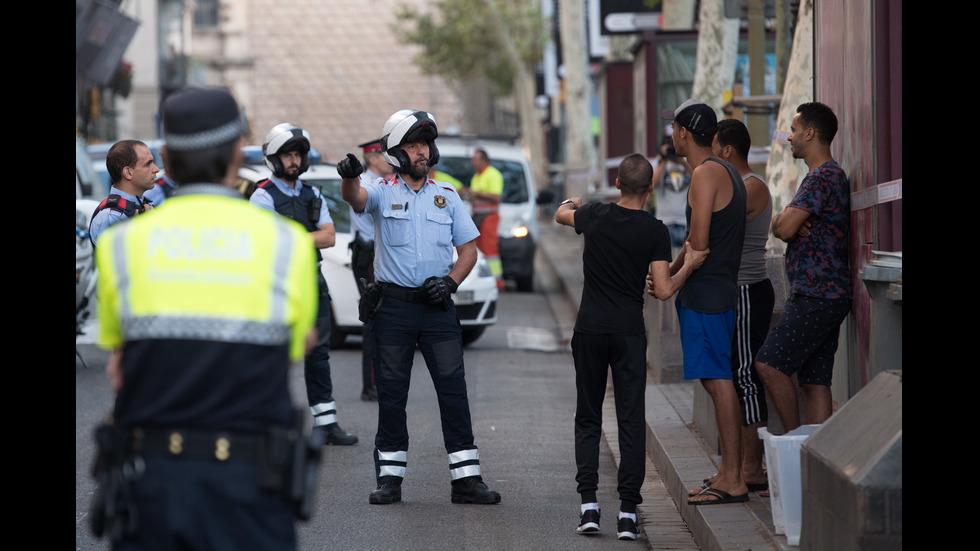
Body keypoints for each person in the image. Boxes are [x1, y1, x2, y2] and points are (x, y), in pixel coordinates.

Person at [91, 86, 319, 550]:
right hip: (251, 491)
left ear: (169, 159)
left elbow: (120, 367)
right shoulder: (287, 244)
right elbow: (297, 349)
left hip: (151, 491)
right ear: (238, 149)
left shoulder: (121, 246)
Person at [337, 109, 501, 506]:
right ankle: (390, 480)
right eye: (413, 145)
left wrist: (450, 283)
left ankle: (466, 480)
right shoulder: (381, 192)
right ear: (396, 152)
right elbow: (355, 197)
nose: (422, 151)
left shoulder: (447, 195)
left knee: (453, 391)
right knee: (392, 394)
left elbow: (468, 251)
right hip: (393, 309)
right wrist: (349, 176)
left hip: (437, 309)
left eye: (425, 143)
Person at [555, 153, 707, 539]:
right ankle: (626, 513)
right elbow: (664, 289)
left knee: (588, 416)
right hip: (628, 332)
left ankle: (589, 507)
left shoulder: (595, 215)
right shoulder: (654, 231)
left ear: (618, 184)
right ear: (651, 188)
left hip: (589, 330)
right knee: (629, 418)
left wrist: (572, 203)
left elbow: (560, 215)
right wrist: (689, 262)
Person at [662, 99, 748, 505]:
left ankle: (733, 477)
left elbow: (698, 246)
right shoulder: (725, 168)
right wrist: (668, 272)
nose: (671, 136)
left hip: (708, 294)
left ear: (682, 132)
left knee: (719, 381)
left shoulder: (704, 175)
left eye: (673, 129)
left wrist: (671, 283)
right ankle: (728, 471)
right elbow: (695, 244)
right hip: (718, 291)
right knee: (717, 379)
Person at [250, 123, 358, 446]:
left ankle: (326, 424)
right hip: (277, 286)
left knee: (319, 355)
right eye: (287, 155)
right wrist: (307, 237)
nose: (294, 161)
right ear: (273, 157)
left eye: (298, 154)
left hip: (313, 282)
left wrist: (292, 235)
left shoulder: (312, 193)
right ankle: (269, 424)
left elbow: (329, 235)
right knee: (274, 354)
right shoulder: (261, 196)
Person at [755, 102, 851, 431]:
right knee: (815, 381)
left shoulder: (822, 177)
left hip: (816, 293)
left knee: (768, 363)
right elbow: (785, 224)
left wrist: (788, 222)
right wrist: (789, 220)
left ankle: (796, 443)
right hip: (828, 294)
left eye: (794, 131)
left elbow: (782, 228)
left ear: (810, 133)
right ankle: (816, 461)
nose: (790, 137)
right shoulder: (824, 176)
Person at [710, 118, 774, 494]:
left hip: (749, 289)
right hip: (732, 291)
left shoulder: (751, 187)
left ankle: (754, 467)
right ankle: (734, 466)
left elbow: (715, 226)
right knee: (732, 377)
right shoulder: (736, 185)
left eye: (714, 148)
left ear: (728, 151)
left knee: (746, 376)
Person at [350, 138, 387, 402]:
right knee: (374, 319)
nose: (390, 159)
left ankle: (376, 382)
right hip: (370, 255)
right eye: (385, 155)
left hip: (369, 253)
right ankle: (372, 384)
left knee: (380, 320)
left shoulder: (378, 183)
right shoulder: (368, 185)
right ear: (372, 158)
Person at [89, 139, 159, 246]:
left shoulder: (141, 204)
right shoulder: (110, 217)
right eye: (148, 164)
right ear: (128, 173)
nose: (156, 169)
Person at [465, 148, 505, 289]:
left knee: (490, 250)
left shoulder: (493, 174)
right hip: (478, 217)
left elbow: (497, 197)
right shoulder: (476, 176)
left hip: (489, 217)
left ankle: (496, 281)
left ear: (484, 160)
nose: (472, 162)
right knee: (479, 250)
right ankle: (483, 279)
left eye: (475, 160)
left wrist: (476, 193)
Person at [651, 132, 693, 249]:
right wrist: (664, 159)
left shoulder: (687, 162)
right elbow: (652, 185)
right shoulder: (658, 163)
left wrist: (683, 161)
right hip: (665, 222)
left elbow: (698, 178)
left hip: (684, 221)